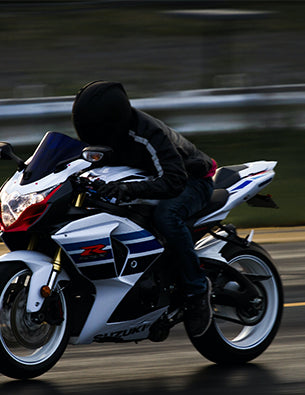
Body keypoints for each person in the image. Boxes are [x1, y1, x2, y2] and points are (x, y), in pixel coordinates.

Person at [71, 80, 216, 337]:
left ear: (110, 120)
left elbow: (173, 180)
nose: (87, 132)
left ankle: (197, 289)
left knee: (166, 217)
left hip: (192, 180)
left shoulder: (146, 134)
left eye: (92, 126)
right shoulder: (103, 135)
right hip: (151, 179)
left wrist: (128, 190)